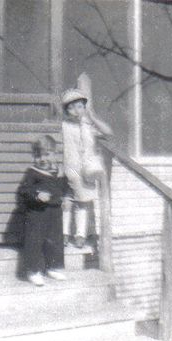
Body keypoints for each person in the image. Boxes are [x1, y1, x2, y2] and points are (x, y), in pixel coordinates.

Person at [61, 88, 113, 248]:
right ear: (66, 111)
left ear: (84, 107)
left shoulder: (88, 126)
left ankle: (80, 235)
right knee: (67, 202)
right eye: (71, 107)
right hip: (69, 168)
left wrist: (92, 117)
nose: (75, 111)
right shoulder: (64, 126)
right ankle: (63, 234)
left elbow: (109, 133)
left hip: (86, 170)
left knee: (83, 203)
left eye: (79, 106)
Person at [19, 135, 67, 286]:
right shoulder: (32, 173)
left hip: (55, 212)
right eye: (38, 155)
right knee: (35, 242)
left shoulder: (59, 173)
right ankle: (33, 271)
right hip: (37, 214)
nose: (43, 158)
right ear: (34, 156)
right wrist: (37, 195)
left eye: (47, 154)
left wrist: (66, 198)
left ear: (55, 154)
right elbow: (24, 191)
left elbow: (65, 188)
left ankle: (53, 267)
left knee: (55, 240)